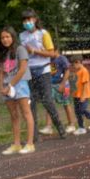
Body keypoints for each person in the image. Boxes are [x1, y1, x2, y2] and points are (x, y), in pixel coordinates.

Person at [19, 9, 66, 141]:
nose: (27, 22)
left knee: (47, 100)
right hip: (29, 71)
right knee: (31, 102)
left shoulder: (43, 33)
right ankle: (34, 135)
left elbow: (51, 53)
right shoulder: (22, 36)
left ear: (35, 19)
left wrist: (34, 51)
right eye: (24, 20)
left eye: (29, 19)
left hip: (43, 69)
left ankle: (60, 127)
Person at [0, 26, 35, 155]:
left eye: (7, 36)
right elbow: (2, 71)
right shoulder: (3, 53)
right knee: (14, 115)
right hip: (7, 86)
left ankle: (30, 143)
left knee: (26, 112)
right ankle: (17, 144)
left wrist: (11, 85)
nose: (5, 39)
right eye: (2, 37)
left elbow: (22, 69)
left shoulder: (20, 49)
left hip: (20, 84)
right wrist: (1, 86)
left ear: (13, 37)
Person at [39, 52, 76, 135]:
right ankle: (48, 126)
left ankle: (71, 124)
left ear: (55, 50)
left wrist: (63, 84)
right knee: (49, 104)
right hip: (51, 84)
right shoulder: (48, 59)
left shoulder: (62, 59)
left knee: (66, 104)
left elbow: (67, 71)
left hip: (63, 84)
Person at [69, 56, 90, 135]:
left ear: (78, 62)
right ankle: (81, 127)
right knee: (77, 112)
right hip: (76, 95)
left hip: (83, 95)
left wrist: (83, 96)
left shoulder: (84, 71)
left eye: (74, 64)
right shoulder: (76, 71)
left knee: (82, 110)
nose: (73, 66)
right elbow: (75, 83)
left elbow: (85, 84)